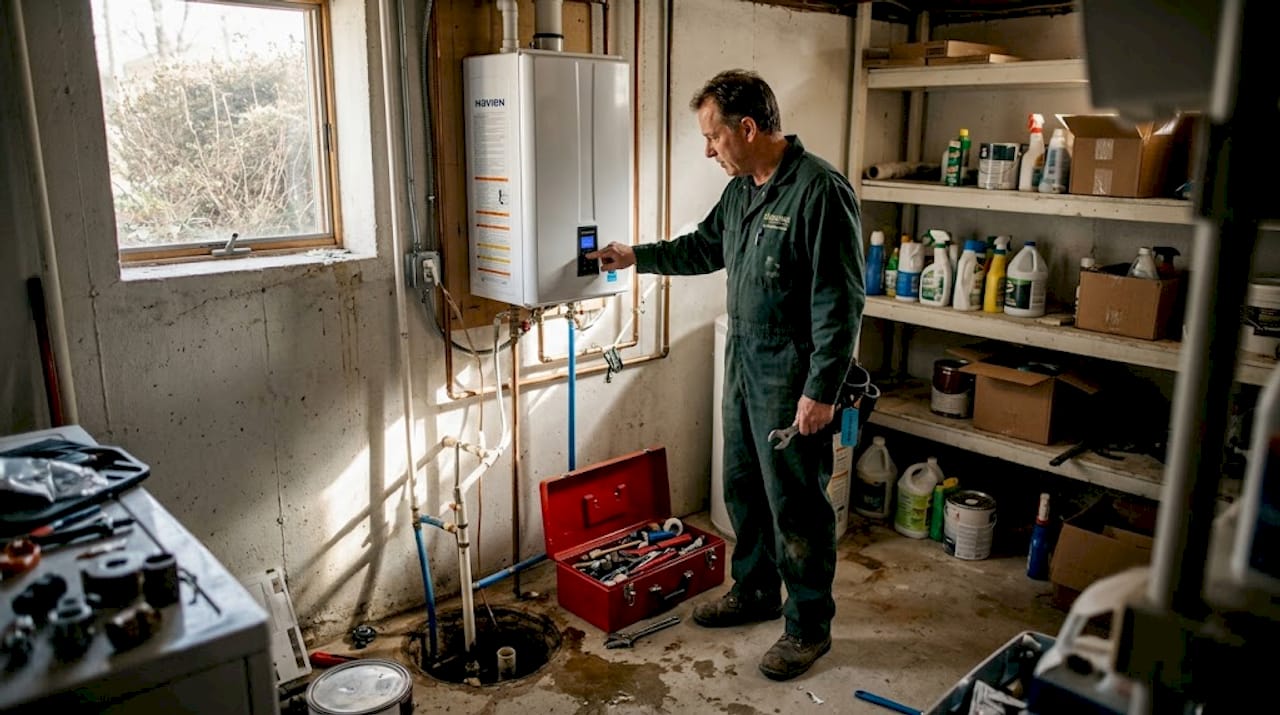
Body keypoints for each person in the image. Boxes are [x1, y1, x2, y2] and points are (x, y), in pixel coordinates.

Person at [588, 69, 865, 680]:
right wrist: (639, 256)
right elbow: (704, 246)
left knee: (795, 500)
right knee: (741, 483)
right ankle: (757, 590)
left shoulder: (819, 191)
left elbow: (841, 302)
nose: (707, 150)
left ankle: (808, 626)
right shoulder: (741, 190)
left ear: (748, 127)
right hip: (743, 357)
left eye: (713, 137)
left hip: (793, 369)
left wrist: (822, 389)